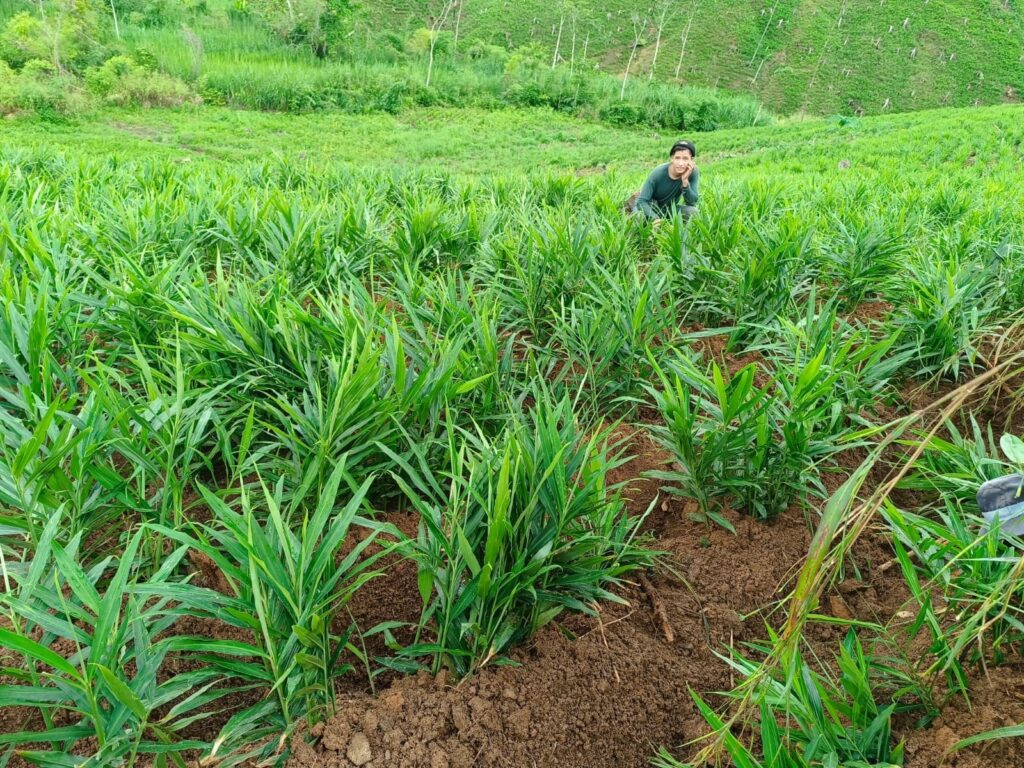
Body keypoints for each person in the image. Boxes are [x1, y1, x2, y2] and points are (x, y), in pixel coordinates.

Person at [628, 140, 700, 225]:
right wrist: (654, 218)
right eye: (677, 158)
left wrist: (685, 182)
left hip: (668, 209)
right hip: (650, 206)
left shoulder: (692, 172)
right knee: (639, 217)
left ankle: (665, 220)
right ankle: (631, 207)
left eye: (685, 158)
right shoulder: (658, 173)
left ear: (691, 160)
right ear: (672, 158)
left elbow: (692, 202)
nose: (680, 163)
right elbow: (642, 201)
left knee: (694, 212)